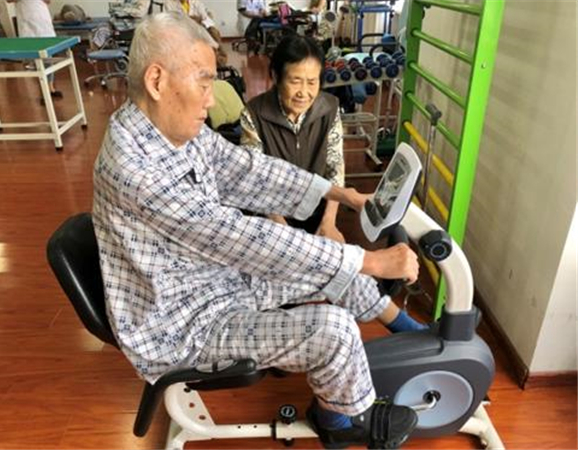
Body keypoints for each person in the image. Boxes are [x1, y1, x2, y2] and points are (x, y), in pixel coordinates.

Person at [92, 12, 419, 449]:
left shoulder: (170, 131)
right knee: (335, 328)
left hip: (211, 280)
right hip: (184, 324)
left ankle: (409, 332)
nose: (211, 100)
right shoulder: (136, 169)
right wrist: (371, 260)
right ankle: (339, 422)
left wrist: (337, 193)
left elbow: (247, 169)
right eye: (204, 83)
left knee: (337, 269)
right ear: (156, 80)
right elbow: (241, 238)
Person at [240, 34, 427, 334]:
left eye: (312, 82)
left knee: (337, 265)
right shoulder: (254, 113)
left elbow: (334, 169)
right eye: (295, 81)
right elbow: (256, 180)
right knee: (329, 268)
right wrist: (281, 228)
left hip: (315, 210)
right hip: (271, 217)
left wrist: (329, 222)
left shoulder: (329, 109)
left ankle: (410, 330)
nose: (304, 92)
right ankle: (407, 329)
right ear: (275, 76)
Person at [6, 0, 61, 98]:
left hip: (42, 19)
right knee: (36, 60)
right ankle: (43, 91)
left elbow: (48, 1)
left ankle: (51, 88)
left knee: (48, 57)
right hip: (27, 22)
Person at [163, 0, 228, 66]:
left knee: (213, 31)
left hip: (199, 26)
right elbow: (170, 21)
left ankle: (216, 55)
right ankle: (217, 55)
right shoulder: (169, 4)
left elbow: (205, 18)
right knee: (202, 34)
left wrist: (201, 23)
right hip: (181, 29)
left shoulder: (196, 2)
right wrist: (191, 20)